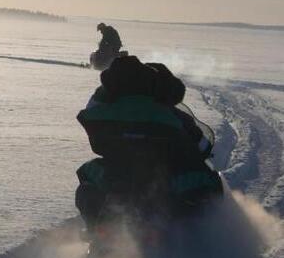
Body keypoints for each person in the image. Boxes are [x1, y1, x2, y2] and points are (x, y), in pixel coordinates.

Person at [75, 56, 221, 232]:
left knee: (87, 176)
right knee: (207, 182)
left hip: (119, 172)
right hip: (162, 177)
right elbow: (201, 145)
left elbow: (89, 121)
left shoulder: (103, 108)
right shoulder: (167, 111)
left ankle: (96, 230)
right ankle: (203, 235)